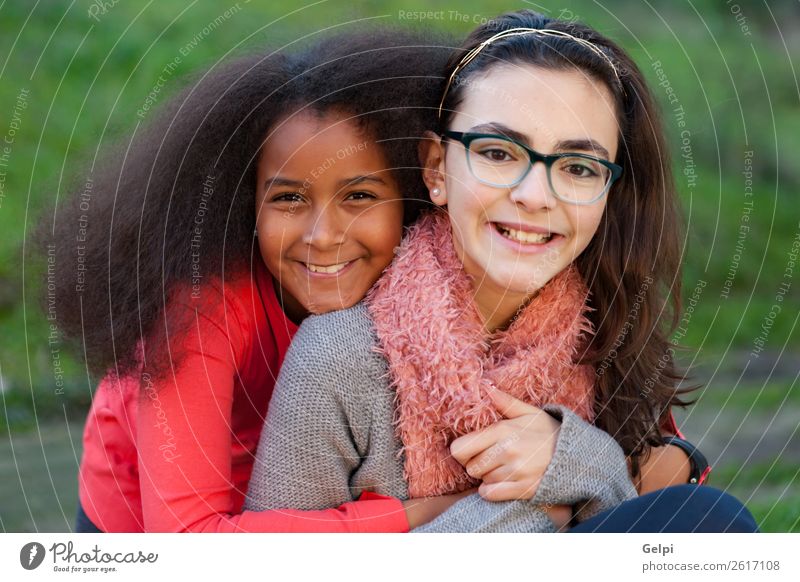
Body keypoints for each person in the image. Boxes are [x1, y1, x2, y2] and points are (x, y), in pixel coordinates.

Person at [245, 10, 758, 533]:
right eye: (497, 152)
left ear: (608, 193)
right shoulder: (339, 357)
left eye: (578, 167)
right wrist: (528, 510)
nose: (534, 196)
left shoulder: (604, 335)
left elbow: (650, 492)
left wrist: (588, 463)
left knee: (709, 524)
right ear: (436, 167)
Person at [39, 29, 474, 532]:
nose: (324, 236)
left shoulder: (426, 274)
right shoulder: (199, 311)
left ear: (412, 195)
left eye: (359, 197)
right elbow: (189, 537)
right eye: (289, 198)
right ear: (246, 204)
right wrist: (417, 515)